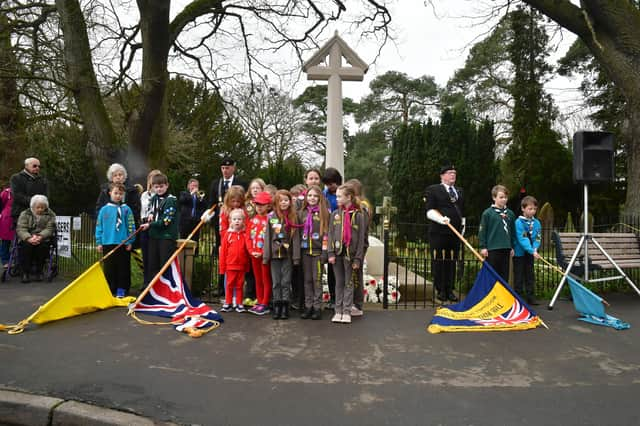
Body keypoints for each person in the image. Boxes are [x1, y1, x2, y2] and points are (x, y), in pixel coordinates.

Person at [424, 164, 465, 303]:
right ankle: (440, 290)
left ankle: (450, 289)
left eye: (454, 172)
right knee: (439, 261)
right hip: (439, 232)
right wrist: (441, 219)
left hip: (455, 233)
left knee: (451, 261)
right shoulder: (433, 190)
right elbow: (429, 211)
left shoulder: (459, 191)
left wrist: (462, 224)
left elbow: (461, 210)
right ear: (442, 176)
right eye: (449, 173)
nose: (452, 175)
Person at [328, 184, 366, 324]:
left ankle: (346, 311)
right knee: (339, 282)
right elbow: (330, 234)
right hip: (337, 253)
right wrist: (330, 253)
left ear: (348, 197)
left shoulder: (358, 215)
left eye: (339, 196)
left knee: (349, 283)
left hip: (351, 255)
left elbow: (361, 239)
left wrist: (358, 259)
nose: (336, 198)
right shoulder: (335, 214)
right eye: (336, 196)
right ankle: (338, 310)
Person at [263, 190, 301, 320]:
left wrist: (296, 257)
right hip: (274, 255)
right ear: (276, 202)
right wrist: (266, 256)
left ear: (290, 202)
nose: (283, 203)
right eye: (281, 200)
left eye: (286, 200)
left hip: (287, 255)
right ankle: (277, 306)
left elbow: (295, 238)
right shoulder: (272, 217)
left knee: (286, 281)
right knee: (276, 282)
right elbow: (268, 237)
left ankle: (285, 307)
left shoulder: (293, 217)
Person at [95, 182, 137, 297]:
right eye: (115, 193)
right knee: (109, 268)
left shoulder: (126, 209)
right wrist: (99, 242)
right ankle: (110, 288)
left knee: (123, 267)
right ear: (110, 193)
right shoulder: (104, 210)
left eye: (120, 194)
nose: (118, 196)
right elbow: (99, 226)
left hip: (123, 243)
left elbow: (131, 226)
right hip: (108, 242)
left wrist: (130, 241)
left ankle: (121, 289)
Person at [140, 173, 178, 283]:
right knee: (152, 264)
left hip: (166, 237)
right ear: (152, 187)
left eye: (161, 186)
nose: (159, 189)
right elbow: (152, 211)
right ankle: (154, 290)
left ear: (167, 185)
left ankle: (166, 290)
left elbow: (166, 221)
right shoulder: (153, 198)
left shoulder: (171, 200)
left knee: (164, 265)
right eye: (156, 187)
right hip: (154, 236)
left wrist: (150, 225)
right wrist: (150, 215)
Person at [298, 185, 329, 320]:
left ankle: (317, 307)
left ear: (320, 198)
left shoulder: (324, 213)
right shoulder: (301, 213)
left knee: (317, 280)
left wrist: (324, 252)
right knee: (307, 280)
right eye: (309, 195)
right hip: (305, 252)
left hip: (318, 252)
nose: (312, 198)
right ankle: (308, 306)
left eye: (315, 196)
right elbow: (298, 233)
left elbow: (327, 234)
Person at [345, 178, 372, 317]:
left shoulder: (363, 206)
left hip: (359, 244)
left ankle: (357, 303)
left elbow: (361, 227)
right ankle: (350, 301)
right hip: (351, 243)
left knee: (356, 272)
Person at [207, 157, 247, 246]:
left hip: (238, 220)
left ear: (233, 168)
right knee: (221, 244)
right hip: (220, 219)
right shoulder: (216, 183)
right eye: (223, 168)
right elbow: (211, 202)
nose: (225, 171)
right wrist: (208, 214)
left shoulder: (241, 183)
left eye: (227, 168)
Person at [479, 184, 516, 282]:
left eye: (505, 197)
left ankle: (503, 295)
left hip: (506, 248)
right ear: (494, 197)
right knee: (492, 274)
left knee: (504, 274)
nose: (504, 199)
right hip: (492, 249)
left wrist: (512, 246)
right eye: (501, 197)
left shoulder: (510, 214)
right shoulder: (488, 213)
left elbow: (512, 231)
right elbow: (483, 231)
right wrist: (483, 247)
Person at [15, 195, 56, 283]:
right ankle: (25, 273)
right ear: (32, 206)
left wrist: (40, 236)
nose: (40, 209)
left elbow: (50, 229)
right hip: (27, 238)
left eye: (42, 207)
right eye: (38, 207)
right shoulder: (25, 214)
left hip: (43, 238)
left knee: (43, 247)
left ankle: (39, 271)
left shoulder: (51, 214)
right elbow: (21, 228)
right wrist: (29, 238)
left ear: (46, 207)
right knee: (26, 247)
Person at [246, 191, 272, 316]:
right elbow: (248, 237)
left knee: (265, 279)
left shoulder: (271, 220)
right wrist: (251, 251)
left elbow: (273, 239)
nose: (259, 207)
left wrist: (262, 252)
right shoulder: (252, 220)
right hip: (254, 255)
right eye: (257, 204)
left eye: (262, 204)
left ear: (268, 205)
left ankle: (265, 303)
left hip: (264, 256)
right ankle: (259, 300)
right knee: (257, 279)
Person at [219, 208, 250, 313]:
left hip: (241, 266)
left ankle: (239, 303)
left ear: (243, 221)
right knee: (229, 285)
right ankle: (228, 303)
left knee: (240, 285)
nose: (237, 221)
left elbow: (247, 252)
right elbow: (223, 252)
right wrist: (222, 268)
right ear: (230, 221)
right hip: (230, 266)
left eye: (239, 219)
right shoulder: (228, 235)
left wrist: (246, 266)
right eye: (235, 219)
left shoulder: (245, 235)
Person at [513, 196, 542, 305]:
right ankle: (518, 298)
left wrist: (535, 248)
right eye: (530, 209)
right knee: (519, 276)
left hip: (531, 253)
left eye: (534, 209)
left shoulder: (537, 223)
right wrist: (532, 251)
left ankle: (530, 297)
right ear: (523, 209)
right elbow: (522, 239)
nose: (533, 211)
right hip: (519, 253)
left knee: (530, 275)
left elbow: (538, 237)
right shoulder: (518, 222)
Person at [95, 163, 141, 230]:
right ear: (111, 178)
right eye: (115, 175)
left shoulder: (132, 190)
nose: (118, 177)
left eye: (120, 175)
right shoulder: (105, 191)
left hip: (127, 224)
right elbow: (99, 208)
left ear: (124, 176)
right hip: (109, 224)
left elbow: (136, 208)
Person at [322, 167, 342, 310]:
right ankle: (333, 297)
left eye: (332, 183)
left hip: (340, 232)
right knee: (330, 268)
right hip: (327, 233)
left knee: (339, 269)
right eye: (328, 183)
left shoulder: (341, 194)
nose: (330, 186)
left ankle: (341, 298)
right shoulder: (324, 195)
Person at [139, 169, 162, 285]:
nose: (154, 181)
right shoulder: (144, 195)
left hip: (155, 226)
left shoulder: (161, 196)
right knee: (146, 255)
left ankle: (156, 283)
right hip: (144, 225)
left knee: (155, 256)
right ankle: (146, 282)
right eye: (152, 178)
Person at [10, 158, 48, 224]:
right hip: (20, 214)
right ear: (26, 166)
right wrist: (35, 202)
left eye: (39, 166)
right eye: (34, 166)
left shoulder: (42, 180)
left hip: (38, 215)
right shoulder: (16, 178)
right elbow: (17, 195)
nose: (37, 168)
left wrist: (40, 205)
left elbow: (46, 196)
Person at [0, 185, 14, 268]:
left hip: (20, 218)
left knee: (20, 241)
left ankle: (17, 261)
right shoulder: (6, 193)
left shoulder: (24, 192)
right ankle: (5, 260)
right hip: (7, 219)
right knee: (5, 241)